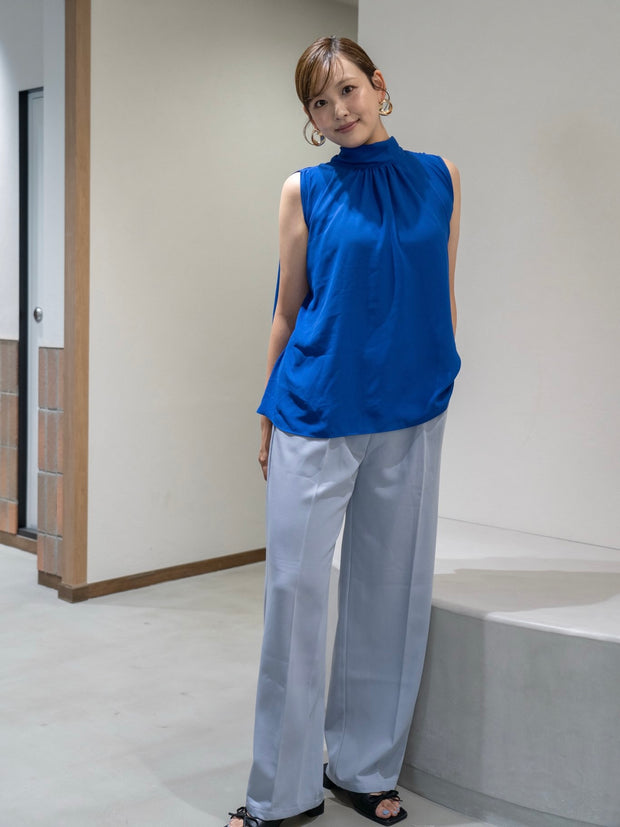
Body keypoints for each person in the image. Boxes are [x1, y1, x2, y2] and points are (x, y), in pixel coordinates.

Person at [226, 35, 461, 827]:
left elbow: (441, 289)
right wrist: (267, 409)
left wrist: (441, 372)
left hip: (411, 411)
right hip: (317, 409)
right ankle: (280, 793)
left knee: (392, 593)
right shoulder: (305, 190)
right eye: (320, 103)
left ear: (378, 84)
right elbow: (287, 307)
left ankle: (362, 768)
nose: (338, 111)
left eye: (349, 90)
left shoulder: (441, 177)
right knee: (294, 595)